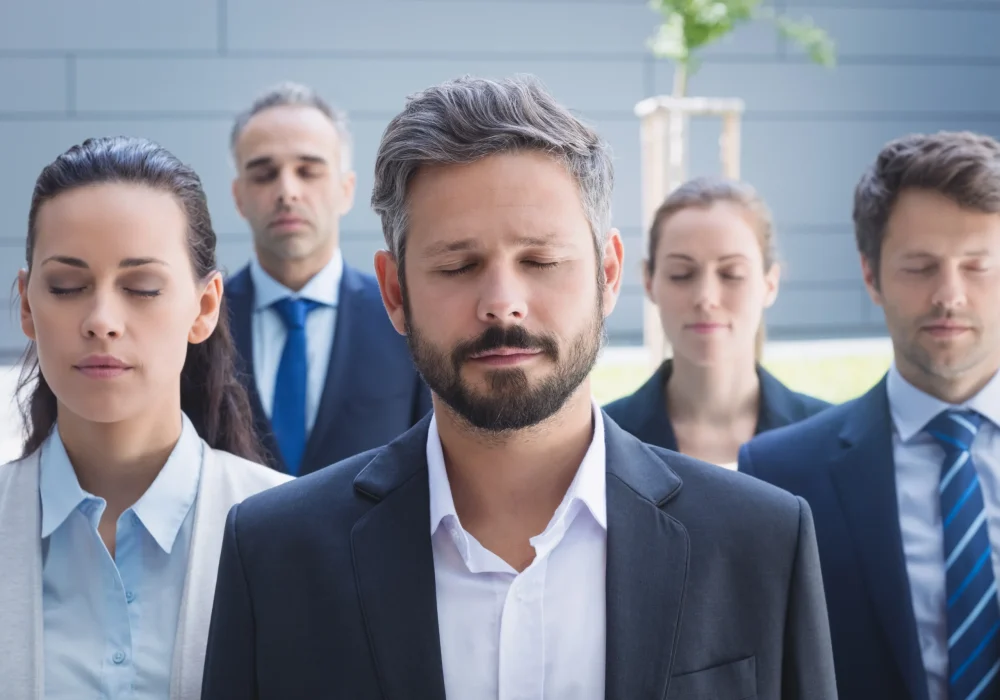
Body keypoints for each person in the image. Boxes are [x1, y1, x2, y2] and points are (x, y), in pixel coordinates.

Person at [200, 75, 837, 700]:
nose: (502, 305)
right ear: (395, 292)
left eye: (539, 261)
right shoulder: (274, 555)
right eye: (458, 265)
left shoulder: (760, 542)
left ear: (608, 274)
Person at [0, 136, 291, 700]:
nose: (102, 319)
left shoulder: (297, 533)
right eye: (66, 286)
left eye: (141, 288)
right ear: (28, 306)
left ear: (204, 307)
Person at [740, 131, 1000, 700]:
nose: (949, 294)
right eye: (920, 266)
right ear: (870, 274)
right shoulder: (780, 477)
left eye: (978, 266)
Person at [226, 82, 430, 476]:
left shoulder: (408, 318)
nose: (287, 191)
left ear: (345, 189)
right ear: (239, 197)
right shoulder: (201, 324)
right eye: (264, 174)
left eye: (308, 171)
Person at [604, 177, 829, 467]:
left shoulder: (828, 438)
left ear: (770, 284)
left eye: (731, 274)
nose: (706, 297)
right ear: (649, 281)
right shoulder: (602, 442)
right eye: (681, 274)